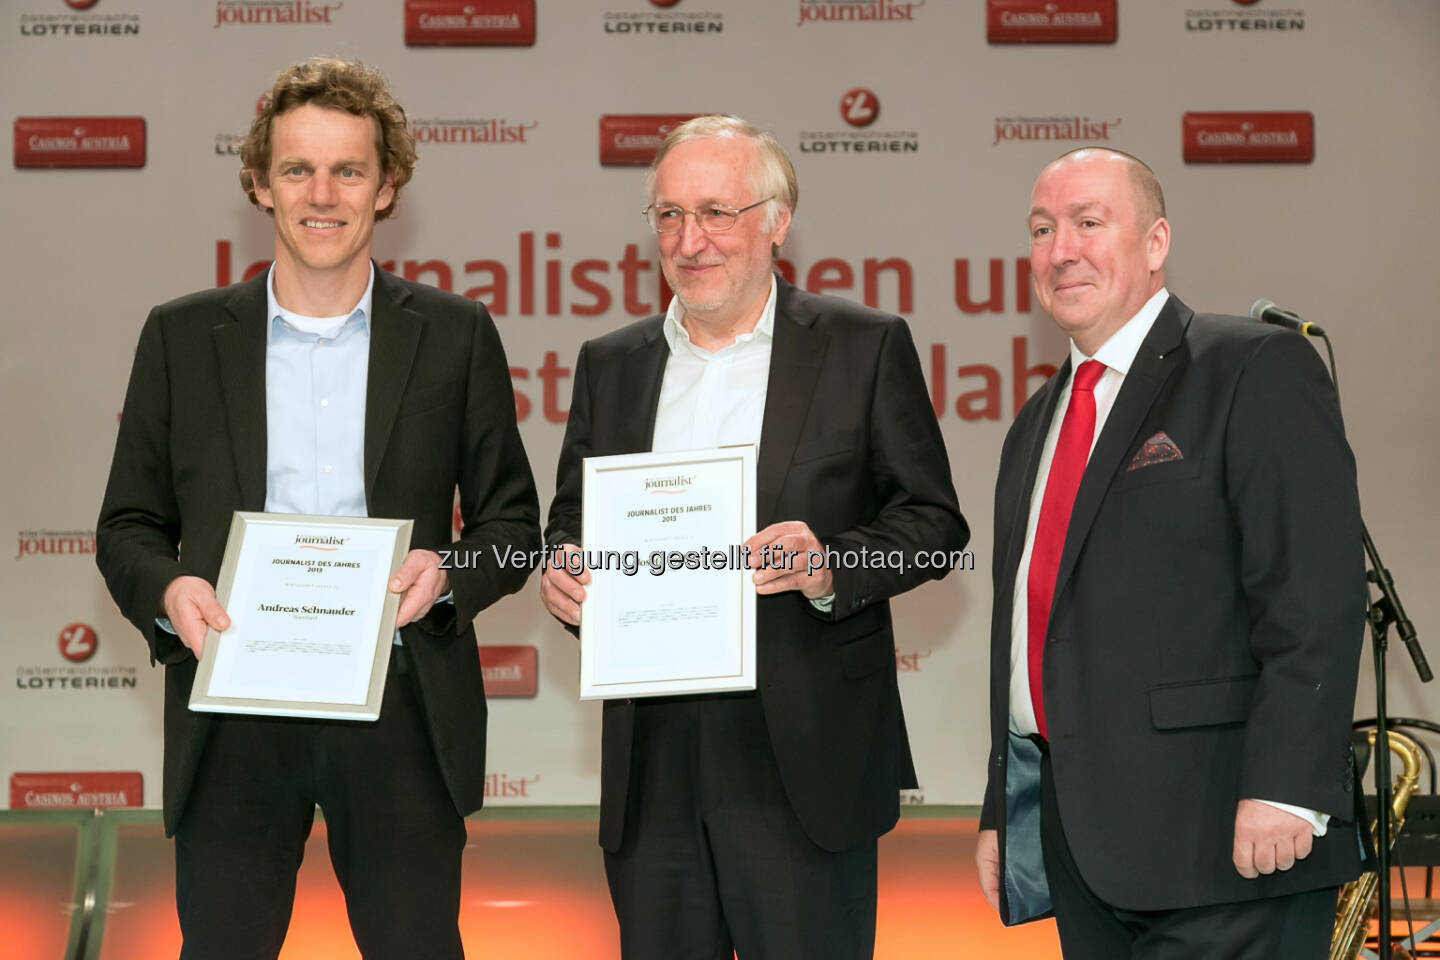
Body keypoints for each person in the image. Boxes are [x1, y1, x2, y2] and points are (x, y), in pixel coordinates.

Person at [95, 57, 540, 959]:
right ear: (260, 182)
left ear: (388, 187)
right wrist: (170, 592)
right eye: (298, 168)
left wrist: (449, 573)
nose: (322, 194)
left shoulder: (456, 335)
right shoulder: (181, 337)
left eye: (350, 170)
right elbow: (128, 526)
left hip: (404, 705)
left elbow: (511, 525)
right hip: (231, 706)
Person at [540, 115, 968, 958]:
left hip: (802, 757)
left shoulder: (862, 346)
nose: (690, 240)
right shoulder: (610, 363)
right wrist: (562, 573)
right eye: (668, 216)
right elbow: (572, 519)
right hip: (652, 757)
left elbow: (933, 525)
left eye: (716, 213)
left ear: (776, 221)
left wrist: (829, 566)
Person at [976, 146, 1367, 957]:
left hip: (1226, 843)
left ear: (1156, 243)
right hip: (1081, 850)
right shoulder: (1034, 424)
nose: (1062, 249)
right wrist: (1001, 809)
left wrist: (1289, 788)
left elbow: (1312, 597)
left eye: (1090, 222)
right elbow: (1031, 633)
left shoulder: (1253, 367)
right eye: (1043, 229)